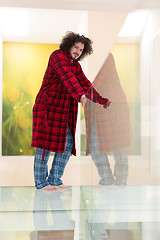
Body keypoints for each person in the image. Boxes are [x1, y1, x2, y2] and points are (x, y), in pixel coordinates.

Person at [31, 31, 110, 190]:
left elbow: (85, 84)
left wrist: (102, 100)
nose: (78, 52)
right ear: (69, 45)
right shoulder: (57, 56)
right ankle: (41, 182)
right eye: (76, 47)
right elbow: (68, 77)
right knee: (45, 145)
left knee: (67, 145)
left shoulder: (76, 65)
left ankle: (54, 179)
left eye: (81, 50)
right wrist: (79, 94)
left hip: (63, 111)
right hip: (48, 107)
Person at [85, 52, 131, 186]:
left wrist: (82, 94)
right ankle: (107, 179)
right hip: (96, 107)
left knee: (118, 144)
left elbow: (98, 80)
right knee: (94, 144)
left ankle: (121, 182)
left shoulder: (105, 55)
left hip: (113, 104)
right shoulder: (85, 60)